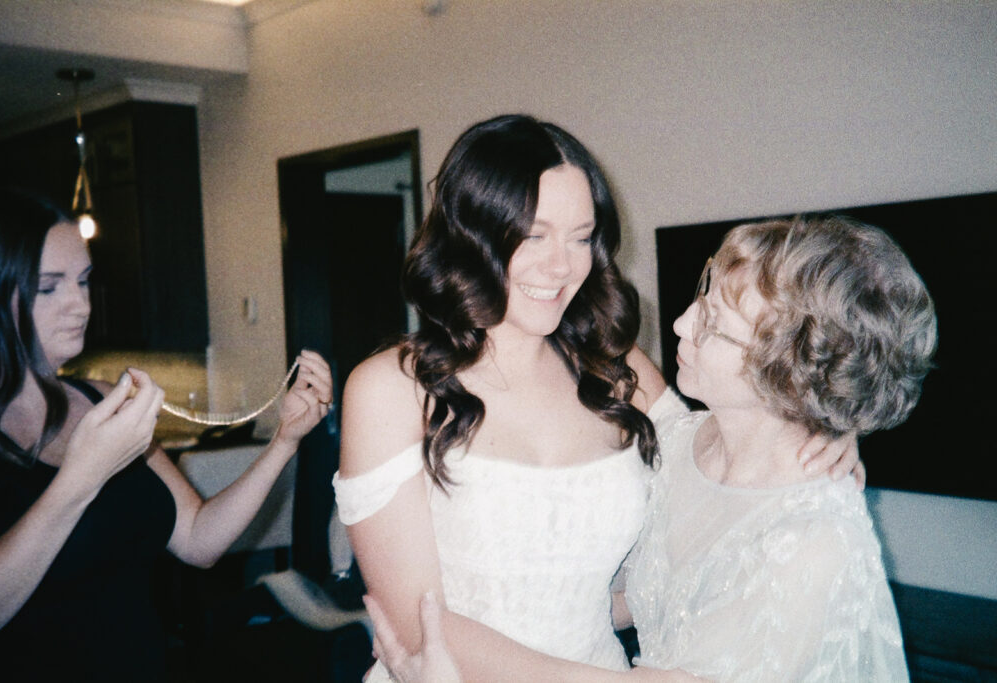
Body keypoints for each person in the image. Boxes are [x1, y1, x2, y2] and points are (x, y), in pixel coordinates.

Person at [334, 115, 859, 681]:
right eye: (533, 235)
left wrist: (811, 434)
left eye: (581, 237)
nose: (562, 265)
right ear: (471, 234)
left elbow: (717, 465)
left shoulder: (613, 365)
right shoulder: (390, 390)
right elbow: (420, 626)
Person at [367, 213, 935, 681]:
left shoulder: (814, 542)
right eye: (702, 296)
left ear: (786, 375)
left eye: (714, 325)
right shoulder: (680, 443)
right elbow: (638, 597)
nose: (683, 325)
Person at [0, 187, 334, 681]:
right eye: (50, 286)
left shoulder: (105, 401)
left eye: (83, 281)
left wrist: (284, 442)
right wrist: (81, 478)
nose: (80, 304)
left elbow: (197, 539)